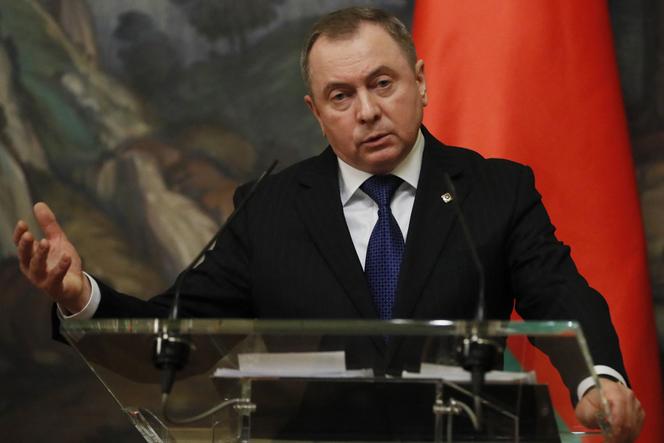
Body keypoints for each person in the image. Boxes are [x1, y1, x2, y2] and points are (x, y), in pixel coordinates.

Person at [13, 7, 643, 441]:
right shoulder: (271, 207)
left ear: (421, 83)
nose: (367, 111)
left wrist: (598, 379)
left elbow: (561, 293)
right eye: (342, 96)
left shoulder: (495, 188)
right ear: (316, 113)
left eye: (383, 83)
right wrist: (82, 298)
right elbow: (175, 337)